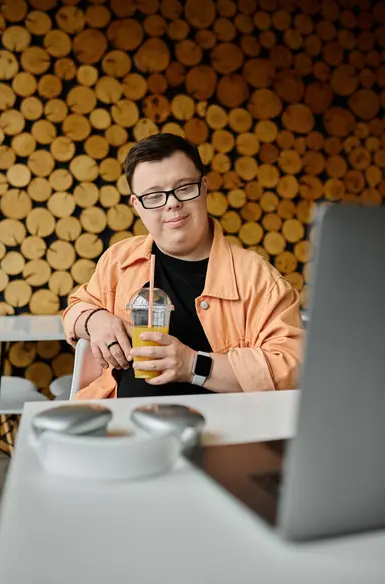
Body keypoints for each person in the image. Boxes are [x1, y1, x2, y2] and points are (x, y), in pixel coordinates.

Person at [62, 133, 304, 399]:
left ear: (204, 186)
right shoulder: (119, 261)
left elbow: (292, 366)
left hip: (223, 433)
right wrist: (94, 320)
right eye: (154, 196)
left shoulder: (258, 279)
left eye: (184, 188)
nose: (172, 203)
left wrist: (192, 365)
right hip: (124, 430)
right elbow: (75, 310)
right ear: (136, 205)